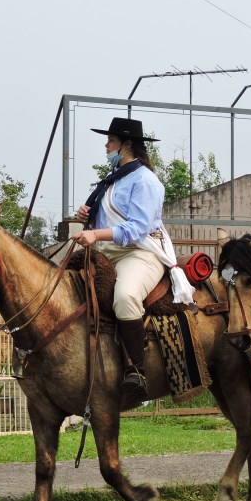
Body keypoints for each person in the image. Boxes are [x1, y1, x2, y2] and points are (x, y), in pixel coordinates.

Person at [72, 117, 194, 400]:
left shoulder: (146, 181)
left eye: (110, 141)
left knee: (125, 296)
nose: (106, 146)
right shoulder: (114, 180)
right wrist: (88, 218)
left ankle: (135, 369)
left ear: (126, 146)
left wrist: (95, 235)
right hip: (106, 252)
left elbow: (137, 228)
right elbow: (108, 219)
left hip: (139, 253)